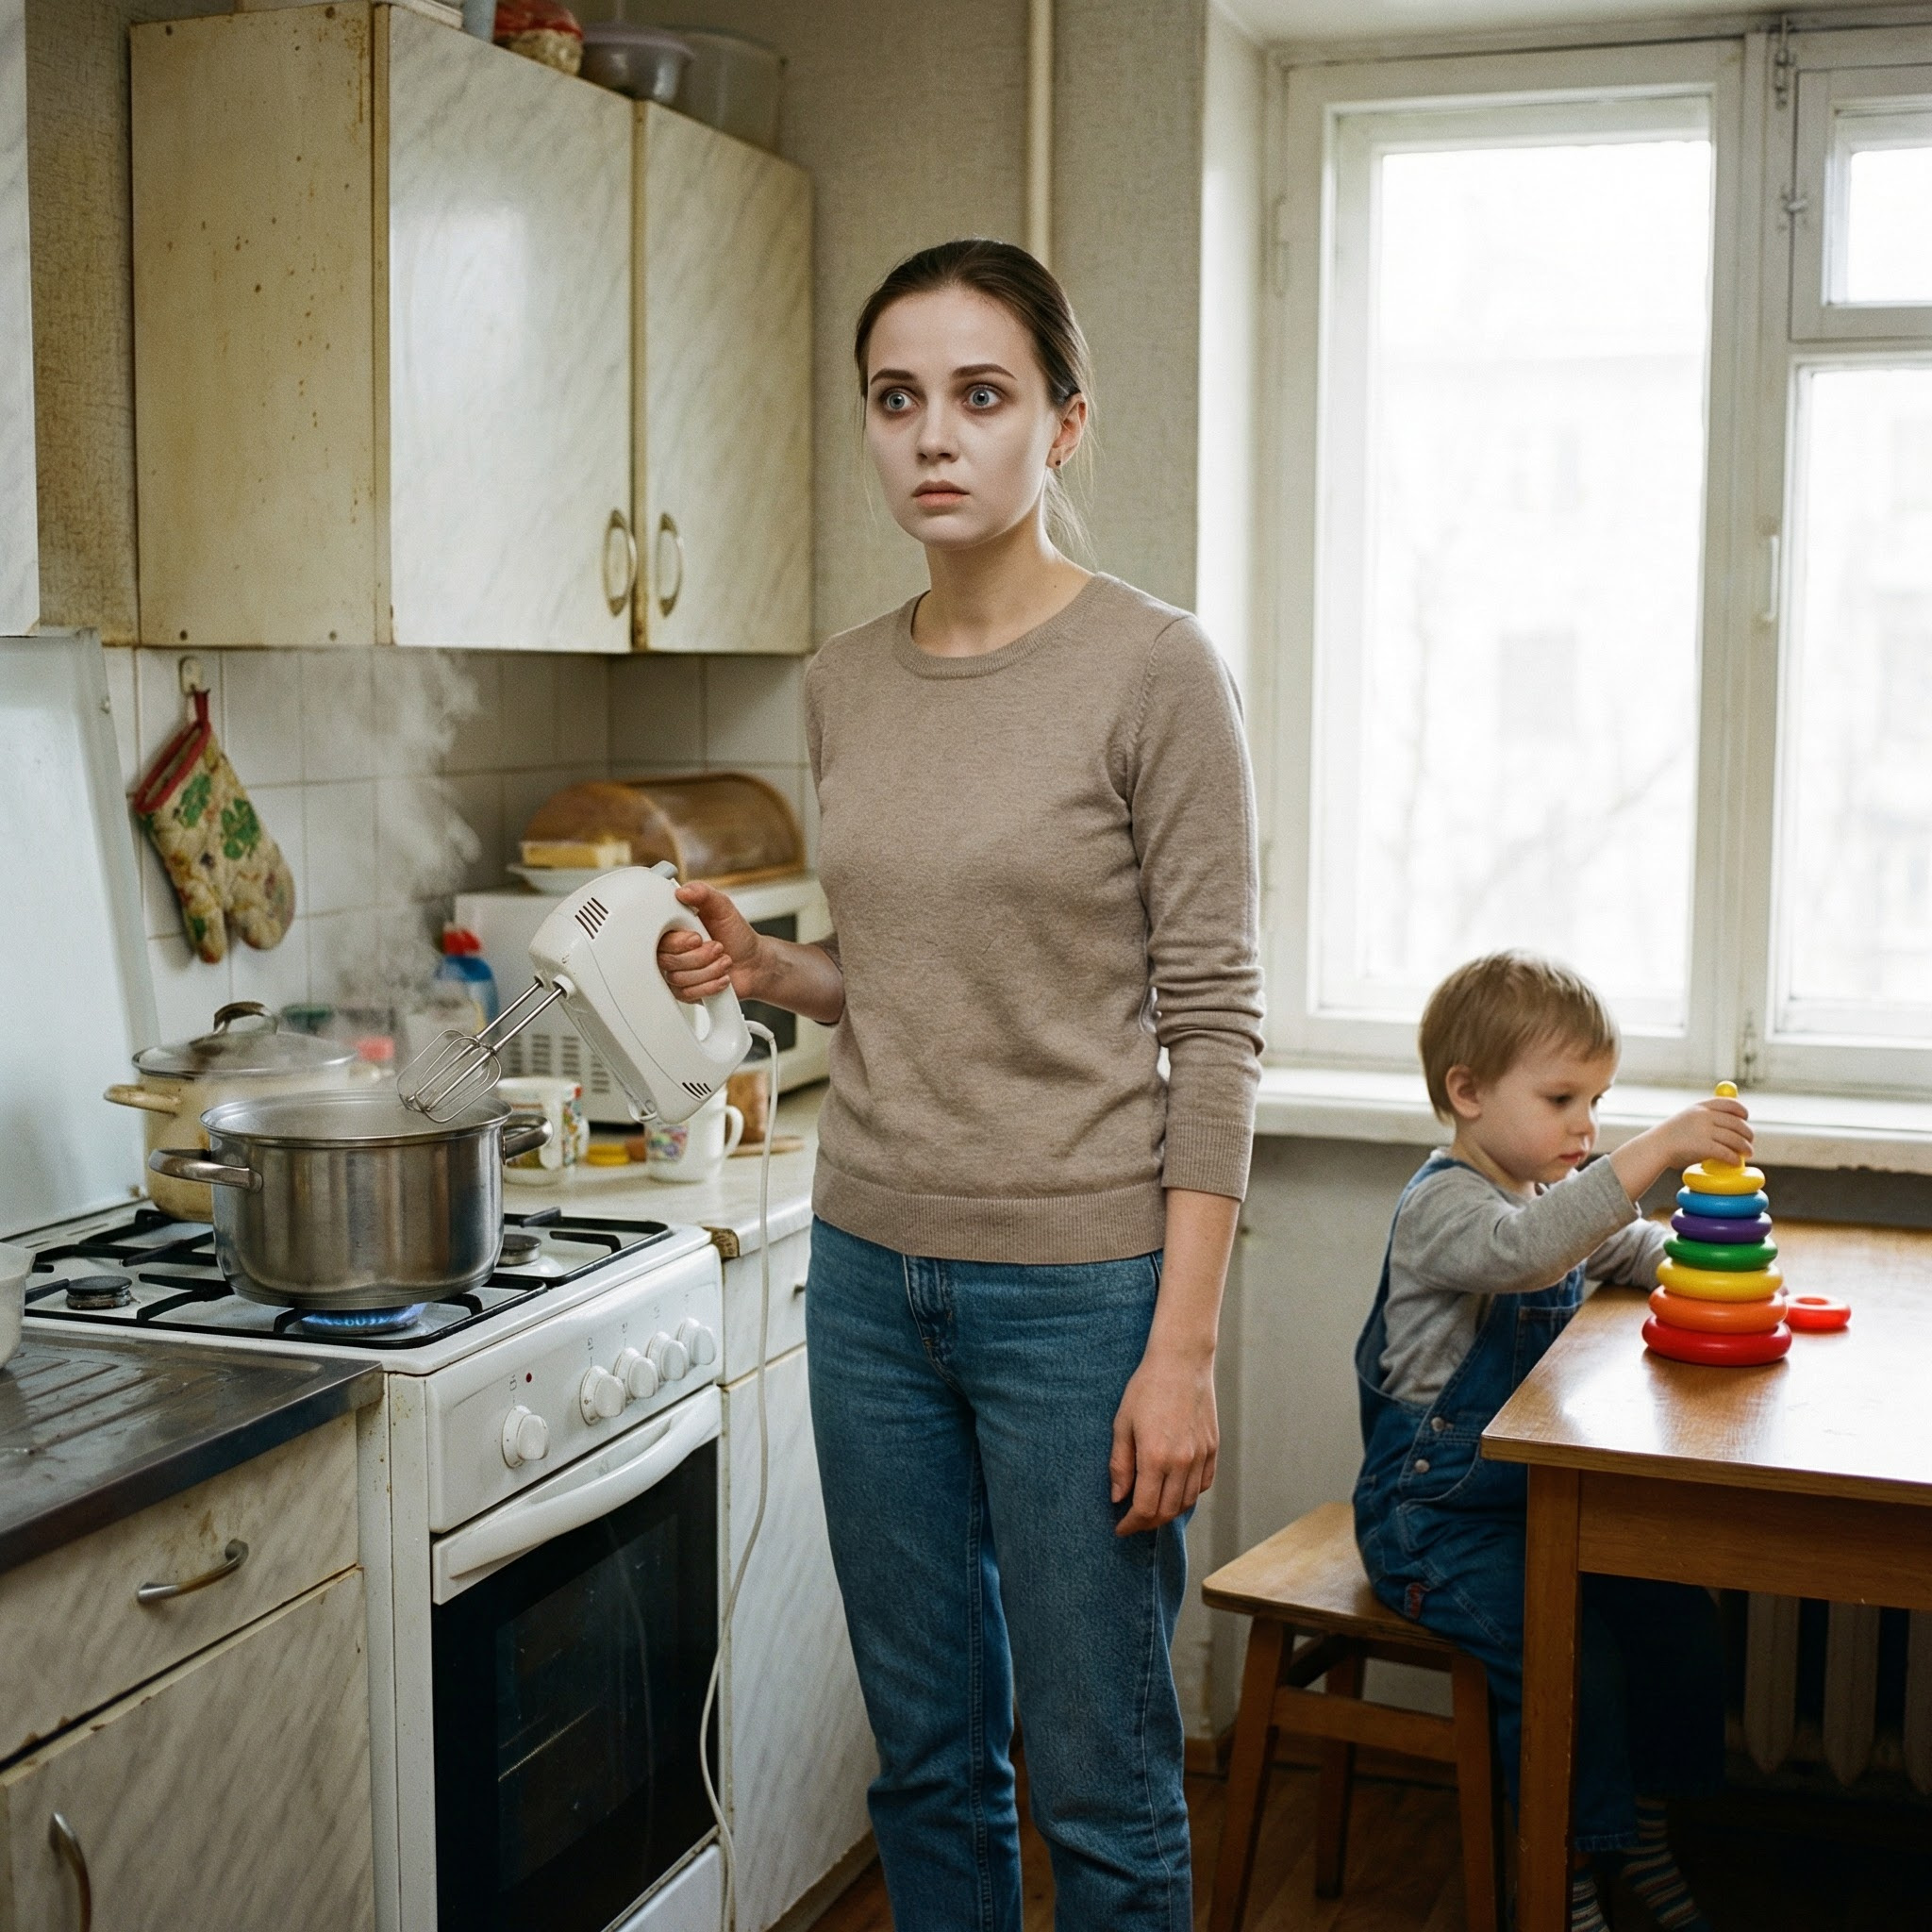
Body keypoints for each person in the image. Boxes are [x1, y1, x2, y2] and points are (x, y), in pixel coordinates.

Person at [657, 238, 1264, 1929]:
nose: (932, 434)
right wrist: (774, 969)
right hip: (866, 1280)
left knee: (1103, 1784)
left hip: (1082, 1296)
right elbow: (922, 977)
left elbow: (1215, 1026)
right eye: (896, 398)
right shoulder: (842, 680)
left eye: (980, 396)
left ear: (1062, 425)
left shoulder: (1155, 670)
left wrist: (1180, 1351)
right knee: (926, 1762)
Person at [1353, 951, 1740, 1932]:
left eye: (1596, 1101)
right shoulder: (1446, 1206)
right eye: (1562, 1098)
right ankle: (1560, 1872)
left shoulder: (1540, 1194)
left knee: (1680, 1625)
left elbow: (1626, 1246)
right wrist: (1658, 1147)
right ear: (1468, 1092)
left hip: (1531, 1507)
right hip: (1429, 1525)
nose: (1586, 1126)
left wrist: (1722, 1260)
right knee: (1576, 1663)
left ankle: (1640, 1836)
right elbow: (1527, 1254)